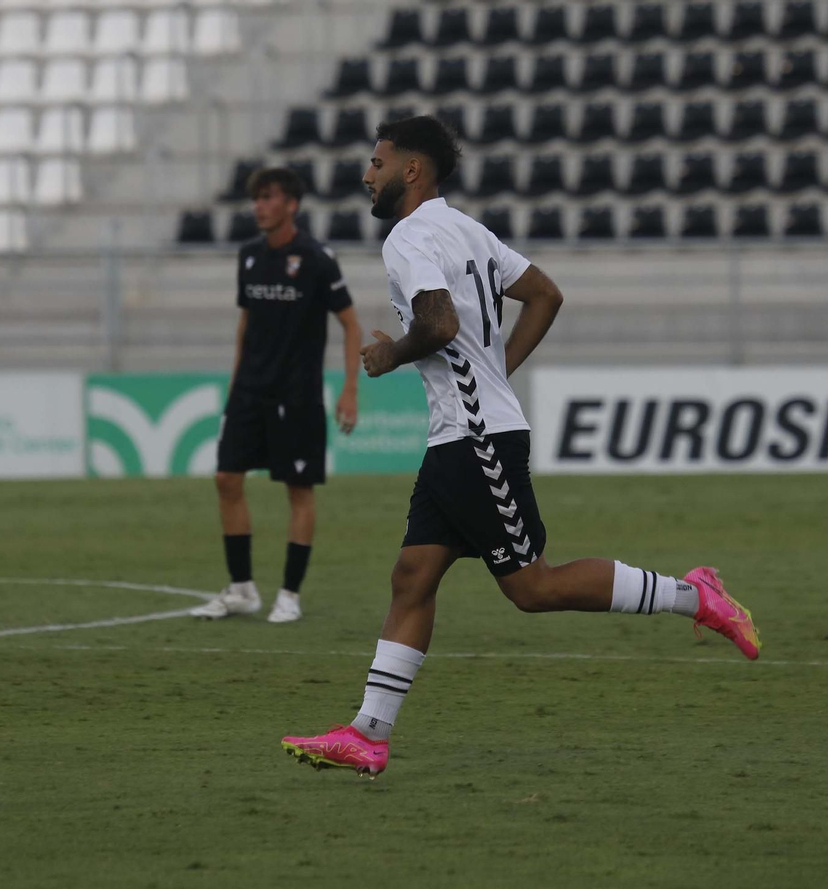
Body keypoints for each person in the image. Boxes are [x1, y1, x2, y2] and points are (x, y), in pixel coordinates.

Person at [281, 117, 762, 777]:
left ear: (412, 170)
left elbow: (440, 323)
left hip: (476, 436)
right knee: (413, 576)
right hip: (462, 430)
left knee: (533, 586)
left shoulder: (408, 238)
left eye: (376, 162)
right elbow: (544, 293)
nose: (367, 174)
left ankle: (695, 594)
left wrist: (391, 353)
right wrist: (495, 371)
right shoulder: (468, 229)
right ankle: (369, 732)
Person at [190, 167, 363, 624]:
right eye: (256, 198)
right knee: (226, 478)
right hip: (249, 390)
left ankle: (289, 593)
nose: (259, 206)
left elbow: (350, 324)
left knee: (298, 491)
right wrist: (234, 382)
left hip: (297, 396)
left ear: (292, 205)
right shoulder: (248, 257)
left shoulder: (317, 259)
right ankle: (243, 588)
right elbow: (245, 324)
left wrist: (349, 389)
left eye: (268, 198)